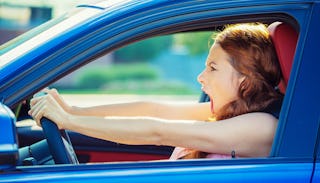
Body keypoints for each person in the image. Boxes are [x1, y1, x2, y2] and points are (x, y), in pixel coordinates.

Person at [29, 23, 283, 160]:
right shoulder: (231, 112)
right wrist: (73, 110)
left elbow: (158, 131)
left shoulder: (261, 126)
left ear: (245, 80)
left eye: (212, 68)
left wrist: (70, 122)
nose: (200, 77)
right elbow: (155, 109)